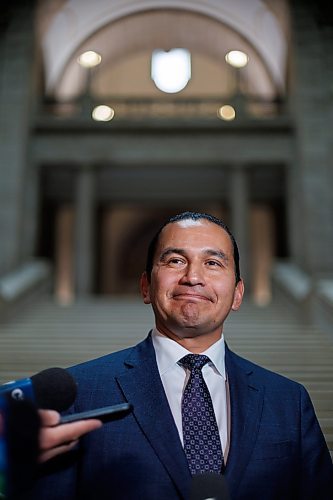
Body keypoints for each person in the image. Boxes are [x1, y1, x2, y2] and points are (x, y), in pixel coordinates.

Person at [29, 211, 332, 499]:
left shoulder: (289, 401)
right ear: (146, 286)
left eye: (213, 263)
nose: (193, 277)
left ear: (238, 294)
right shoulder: (80, 393)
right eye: (175, 260)